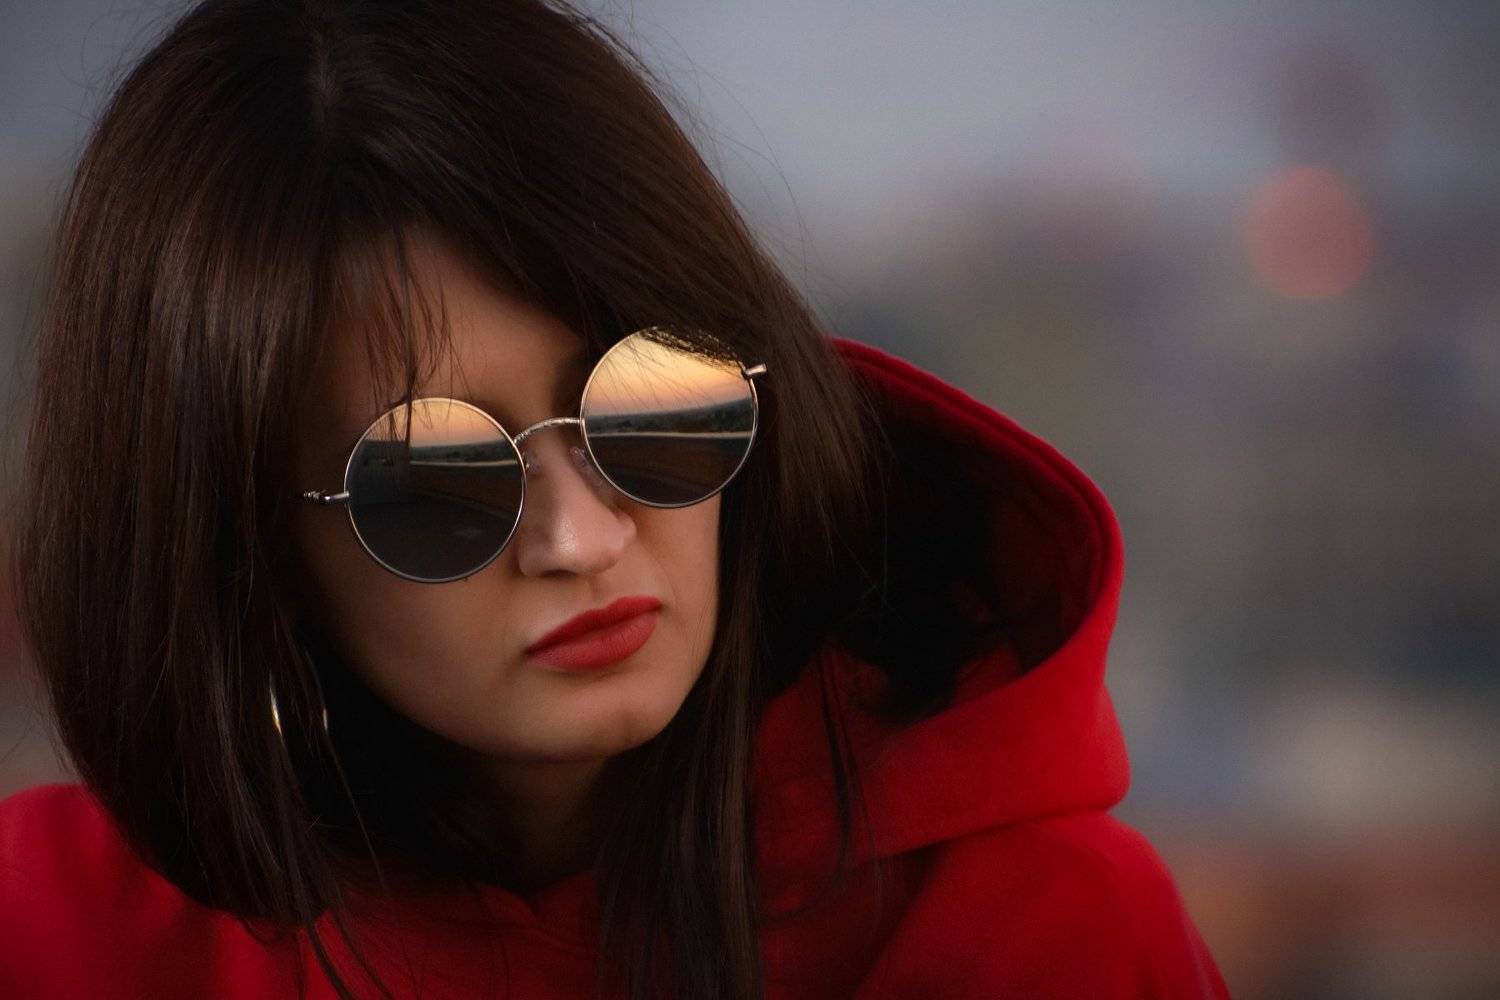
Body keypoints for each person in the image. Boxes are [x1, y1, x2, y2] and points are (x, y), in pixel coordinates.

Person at [0, 1, 1230, 998]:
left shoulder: (1040, 936)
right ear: (247, 546)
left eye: (650, 406)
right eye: (433, 477)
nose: (582, 537)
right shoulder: (50, 938)